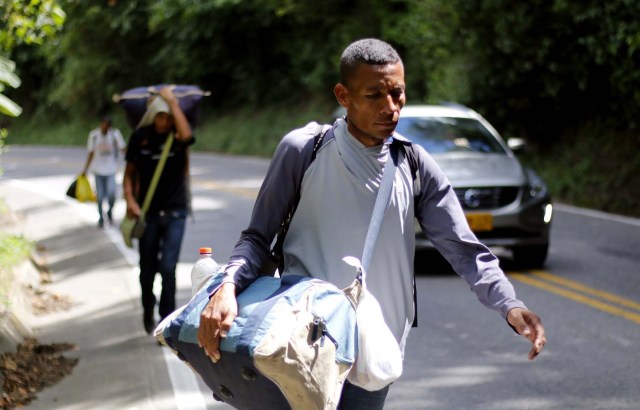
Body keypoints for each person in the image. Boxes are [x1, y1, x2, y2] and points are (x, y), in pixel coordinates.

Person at [198, 38, 546, 408]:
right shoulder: (304, 151)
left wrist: (509, 304)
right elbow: (257, 237)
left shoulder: (414, 165)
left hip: (376, 347)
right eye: (374, 95)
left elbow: (462, 248)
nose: (390, 108)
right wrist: (227, 286)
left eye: (397, 94)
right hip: (301, 341)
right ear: (343, 95)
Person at [123, 87, 194, 334]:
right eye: (160, 115)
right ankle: (147, 309)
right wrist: (130, 200)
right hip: (148, 214)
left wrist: (172, 101)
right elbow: (129, 175)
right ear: (153, 115)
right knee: (148, 269)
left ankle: (167, 320)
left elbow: (187, 135)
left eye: (168, 116)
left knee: (169, 268)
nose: (164, 121)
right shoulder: (140, 137)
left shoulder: (178, 136)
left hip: (175, 212)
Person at [81, 115, 126, 228]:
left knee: (111, 194)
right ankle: (101, 217)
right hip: (98, 170)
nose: (105, 127)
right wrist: (85, 169)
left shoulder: (115, 135)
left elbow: (123, 148)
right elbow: (91, 152)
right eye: (103, 124)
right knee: (100, 196)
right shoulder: (94, 135)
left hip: (111, 169)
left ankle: (110, 213)